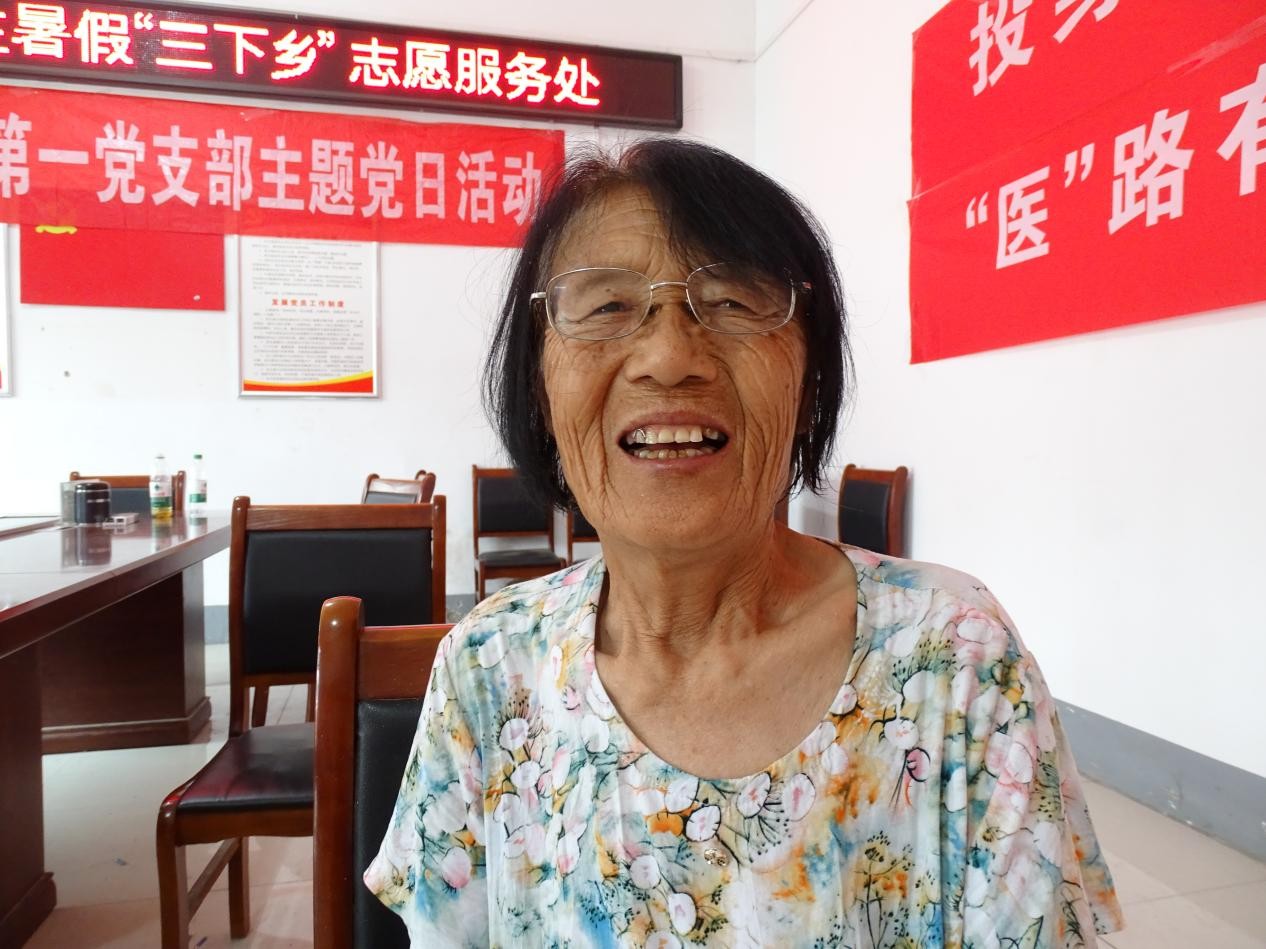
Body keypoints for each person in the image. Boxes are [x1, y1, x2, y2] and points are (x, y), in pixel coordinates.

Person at [365, 139, 1124, 948]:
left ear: (810, 379)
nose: (668, 358)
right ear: (538, 384)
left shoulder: (956, 658)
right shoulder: (489, 667)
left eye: (730, 301)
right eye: (608, 305)